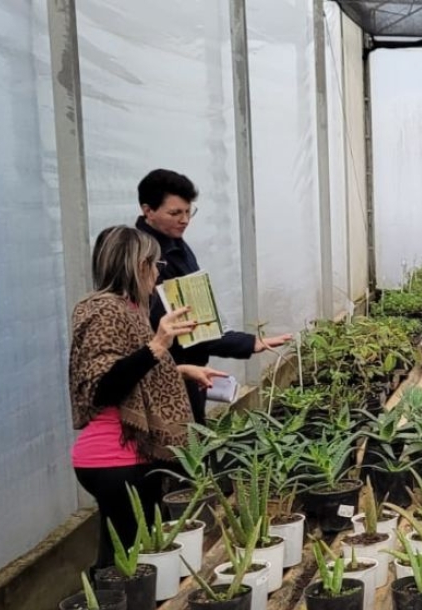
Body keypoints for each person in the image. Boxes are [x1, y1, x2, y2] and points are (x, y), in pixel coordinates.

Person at [70, 226, 224, 569]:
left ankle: (111, 601)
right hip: (114, 457)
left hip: (128, 456)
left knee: (128, 558)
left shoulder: (127, 309)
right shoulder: (103, 311)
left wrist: (180, 370)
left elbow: (133, 375)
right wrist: (158, 344)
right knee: (129, 563)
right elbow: (103, 386)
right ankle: (109, 604)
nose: (157, 273)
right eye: (155, 265)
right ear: (140, 265)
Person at [136, 169, 291, 422]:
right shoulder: (146, 257)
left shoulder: (176, 245)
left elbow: (198, 319)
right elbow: (189, 327)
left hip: (188, 370)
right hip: (164, 377)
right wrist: (247, 344)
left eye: (189, 211)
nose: (185, 220)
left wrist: (247, 343)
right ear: (148, 210)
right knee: (182, 439)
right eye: (175, 213)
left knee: (194, 436)